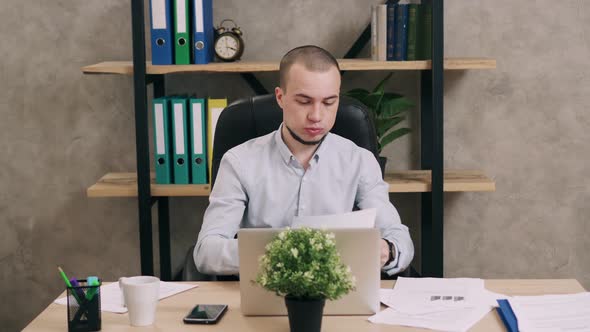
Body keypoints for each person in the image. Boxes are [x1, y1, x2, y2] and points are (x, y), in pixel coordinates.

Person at [194, 45, 414, 276]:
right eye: (304, 101)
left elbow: (399, 238)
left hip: (338, 293)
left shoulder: (359, 161)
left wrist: (387, 250)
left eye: (329, 102)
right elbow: (207, 251)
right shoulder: (239, 162)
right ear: (281, 97)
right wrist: (289, 253)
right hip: (263, 289)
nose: (317, 116)